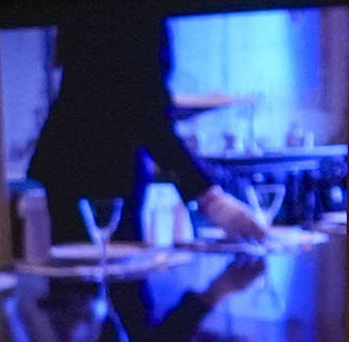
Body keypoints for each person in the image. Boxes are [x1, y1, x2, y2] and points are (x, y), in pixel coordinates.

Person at [25, 12, 271, 246]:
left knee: (94, 275)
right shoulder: (137, 3)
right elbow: (146, 112)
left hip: (78, 160)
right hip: (92, 167)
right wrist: (211, 199)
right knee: (108, 274)